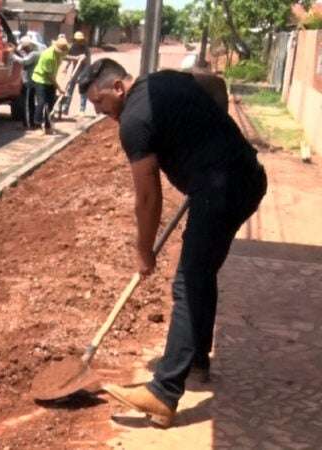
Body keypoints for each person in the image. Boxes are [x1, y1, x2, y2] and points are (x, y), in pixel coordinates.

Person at [78, 59, 267, 428]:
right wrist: (206, 138)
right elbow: (215, 87)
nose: (101, 113)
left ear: (118, 87)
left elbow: (148, 197)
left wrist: (143, 249)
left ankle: (164, 392)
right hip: (244, 177)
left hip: (221, 188)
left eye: (100, 103)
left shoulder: (133, 121)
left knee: (187, 281)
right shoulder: (163, 79)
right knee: (200, 272)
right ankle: (196, 359)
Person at [30, 38, 69, 136]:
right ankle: (37, 125)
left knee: (51, 104)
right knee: (42, 102)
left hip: (50, 81)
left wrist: (76, 59)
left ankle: (48, 126)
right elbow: (49, 75)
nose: (62, 54)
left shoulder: (59, 55)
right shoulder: (48, 56)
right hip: (41, 79)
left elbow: (66, 56)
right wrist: (59, 88)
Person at [11, 36, 42, 130]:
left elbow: (24, 61)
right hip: (31, 81)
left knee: (28, 104)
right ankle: (28, 122)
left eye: (24, 48)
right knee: (30, 103)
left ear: (28, 46)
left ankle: (28, 124)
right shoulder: (35, 53)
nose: (24, 50)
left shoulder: (34, 54)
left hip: (29, 82)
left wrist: (12, 54)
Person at [60, 31, 91, 117]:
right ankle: (65, 108)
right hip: (74, 71)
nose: (79, 43)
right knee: (69, 90)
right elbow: (68, 59)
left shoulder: (86, 50)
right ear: (74, 40)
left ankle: (82, 110)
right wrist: (66, 68)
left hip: (84, 72)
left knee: (83, 91)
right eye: (77, 40)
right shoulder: (71, 48)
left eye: (80, 41)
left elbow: (88, 65)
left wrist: (81, 76)